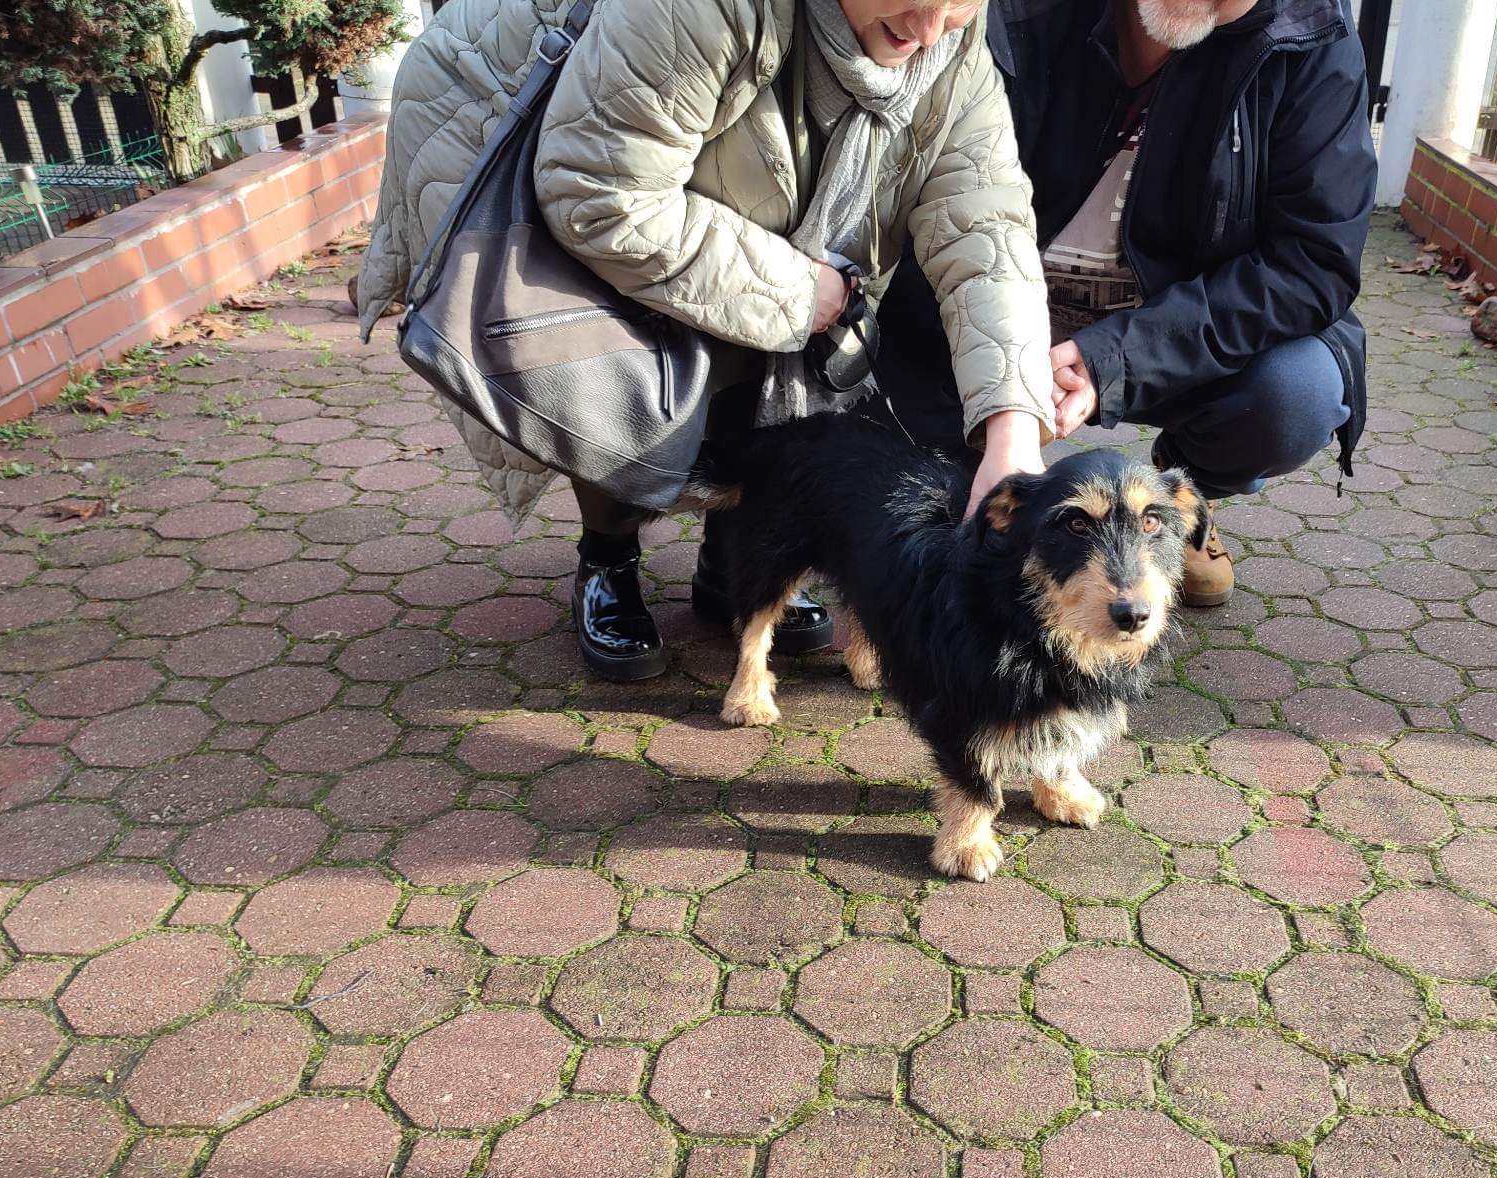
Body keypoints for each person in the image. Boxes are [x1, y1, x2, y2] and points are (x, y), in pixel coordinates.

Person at [356, 0, 1054, 680]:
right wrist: (797, 288)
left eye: (959, 4)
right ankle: (607, 557)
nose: (930, 30)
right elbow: (599, 196)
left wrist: (1012, 427)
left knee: (774, 314)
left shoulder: (953, 50)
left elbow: (985, 233)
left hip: (701, 172)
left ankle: (738, 560)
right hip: (533, 142)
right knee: (638, 351)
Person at [874, 0, 1375, 606]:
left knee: (1297, 394)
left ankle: (1168, 508)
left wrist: (1116, 359)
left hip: (1170, 332)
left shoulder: (1313, 37)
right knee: (893, 334)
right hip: (1001, 296)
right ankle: (967, 490)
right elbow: (953, 207)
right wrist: (1003, 397)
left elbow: (1312, 262)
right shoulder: (1010, 13)